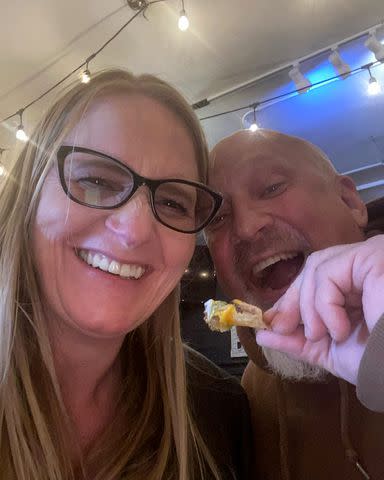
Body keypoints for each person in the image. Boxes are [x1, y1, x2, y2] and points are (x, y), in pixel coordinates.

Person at [0, 69, 253, 480]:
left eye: (173, 203)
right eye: (95, 180)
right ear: (29, 194)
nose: (135, 231)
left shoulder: (216, 412)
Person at [205, 128, 384, 480]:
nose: (245, 227)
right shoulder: (244, 396)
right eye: (218, 219)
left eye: (272, 188)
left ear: (349, 201)